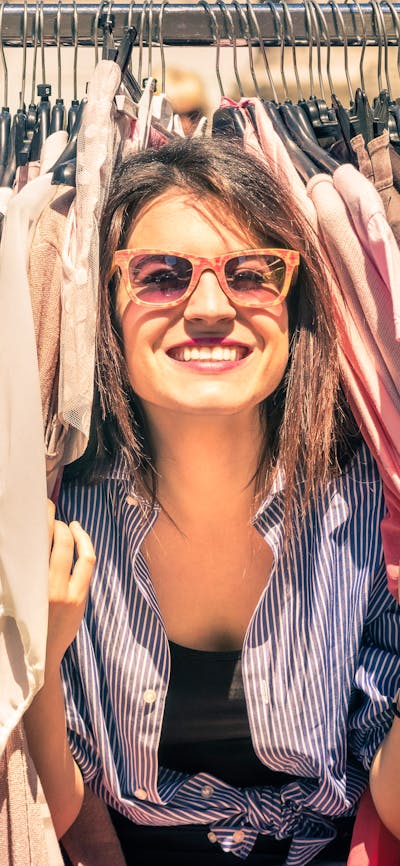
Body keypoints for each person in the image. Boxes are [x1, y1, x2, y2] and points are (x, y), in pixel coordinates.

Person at [24, 137, 400, 866]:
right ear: (106, 304)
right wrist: (38, 658)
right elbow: (60, 805)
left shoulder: (367, 511)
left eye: (251, 274)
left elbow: (392, 798)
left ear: (293, 305)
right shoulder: (64, 515)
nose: (208, 307)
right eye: (161, 275)